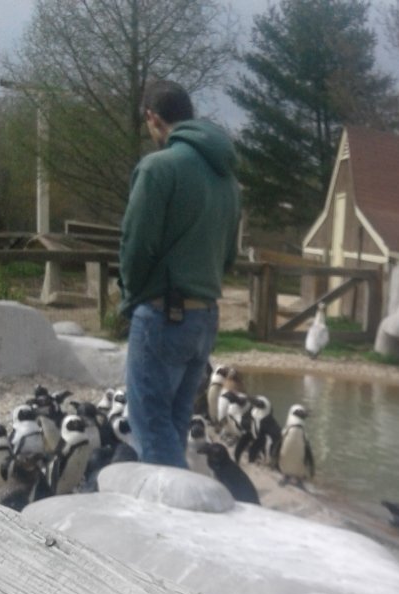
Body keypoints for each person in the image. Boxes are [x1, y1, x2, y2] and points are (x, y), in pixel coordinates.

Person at [119, 79, 241, 467]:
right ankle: (180, 510)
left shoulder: (158, 168)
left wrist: (131, 298)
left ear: (152, 118)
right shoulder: (227, 179)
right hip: (205, 316)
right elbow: (228, 257)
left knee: (151, 431)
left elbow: (136, 247)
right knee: (173, 425)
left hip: (161, 314)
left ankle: (167, 524)